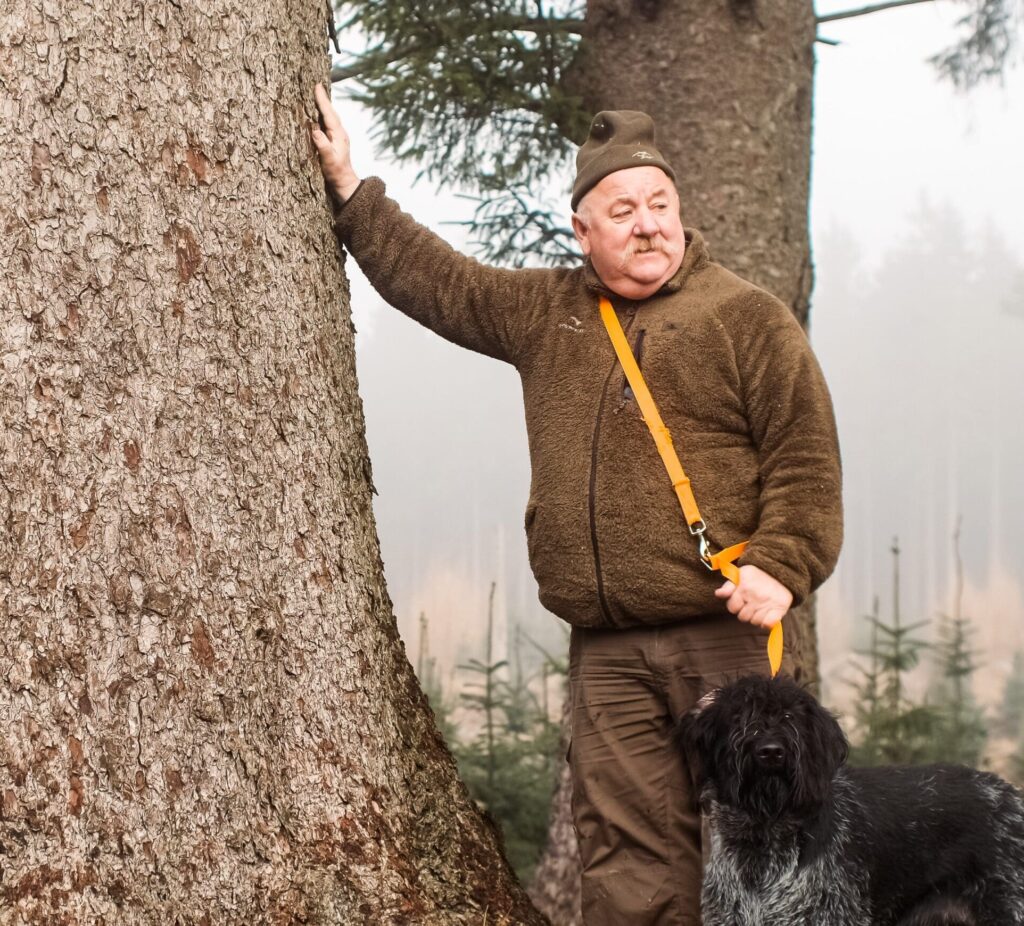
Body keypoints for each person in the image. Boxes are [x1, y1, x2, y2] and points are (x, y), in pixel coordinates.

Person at [311, 84, 843, 926]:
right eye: (623, 209)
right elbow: (437, 282)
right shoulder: (543, 311)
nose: (648, 224)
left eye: (660, 204)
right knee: (629, 864)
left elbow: (806, 460)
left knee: (764, 858)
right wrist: (350, 189)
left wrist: (783, 563)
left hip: (724, 638)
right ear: (583, 232)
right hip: (610, 654)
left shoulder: (747, 319)